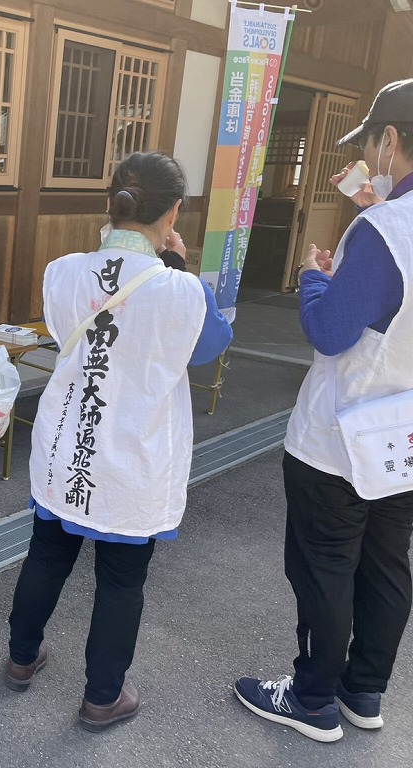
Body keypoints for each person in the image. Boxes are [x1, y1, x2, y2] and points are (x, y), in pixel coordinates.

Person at [4, 152, 232, 730]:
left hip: (68, 441)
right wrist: (176, 262)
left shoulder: (63, 270)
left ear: (111, 204)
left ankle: (21, 658)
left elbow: (68, 329)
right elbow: (209, 347)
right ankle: (102, 697)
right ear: (173, 212)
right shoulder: (183, 291)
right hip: (134, 455)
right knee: (122, 582)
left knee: (46, 554)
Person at [235, 78, 413, 743]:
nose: (368, 158)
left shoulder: (387, 229)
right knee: (387, 563)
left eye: (370, 145)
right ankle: (363, 691)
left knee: (326, 565)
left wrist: (314, 278)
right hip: (404, 436)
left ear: (390, 139)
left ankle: (311, 698)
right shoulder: (388, 221)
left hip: (341, 435)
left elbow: (331, 330)